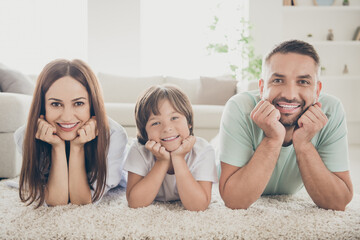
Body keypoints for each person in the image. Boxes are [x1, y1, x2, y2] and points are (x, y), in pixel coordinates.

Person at [219, 40, 353, 211]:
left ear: (317, 90)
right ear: (261, 88)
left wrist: (304, 144)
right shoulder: (239, 107)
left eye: (303, 82)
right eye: (277, 80)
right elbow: (234, 201)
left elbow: (337, 202)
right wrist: (272, 139)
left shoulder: (331, 111)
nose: (290, 95)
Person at [15, 59, 128, 208]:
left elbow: (82, 201)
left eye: (79, 103)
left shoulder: (114, 136)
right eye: (56, 104)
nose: (67, 117)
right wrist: (57, 147)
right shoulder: (25, 136)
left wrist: (77, 147)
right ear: (43, 106)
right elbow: (56, 201)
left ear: (92, 105)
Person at [124, 85, 218, 211]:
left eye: (174, 118)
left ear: (189, 122)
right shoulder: (139, 149)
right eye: (156, 123)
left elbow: (198, 206)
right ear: (144, 132)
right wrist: (162, 161)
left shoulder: (203, 151)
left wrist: (178, 158)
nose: (167, 128)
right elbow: (135, 202)